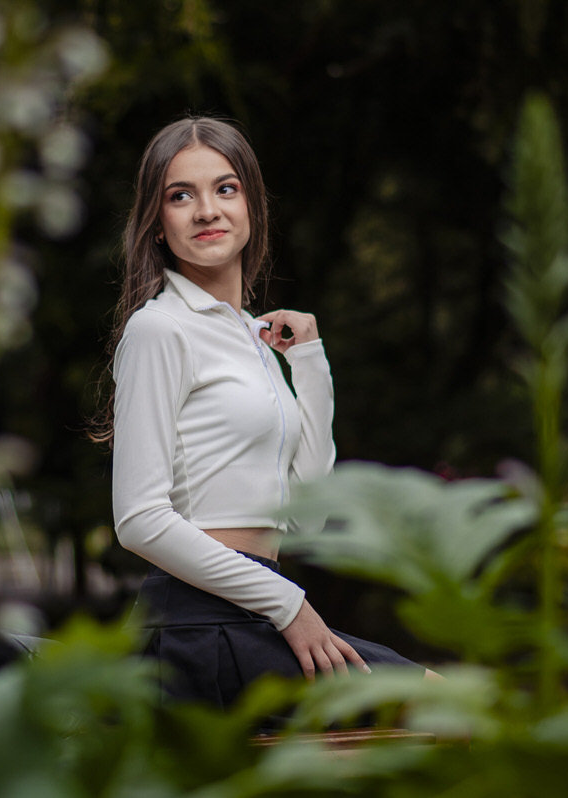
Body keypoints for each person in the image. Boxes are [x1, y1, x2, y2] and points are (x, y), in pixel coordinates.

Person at [95, 116, 426, 706]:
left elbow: (304, 522)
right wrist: (289, 605)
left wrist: (311, 365)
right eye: (180, 196)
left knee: (455, 710)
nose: (206, 211)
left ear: (252, 206)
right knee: (447, 708)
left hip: (256, 615)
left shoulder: (257, 340)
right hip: (199, 625)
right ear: (156, 224)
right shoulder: (159, 330)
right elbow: (139, 518)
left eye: (225, 189)